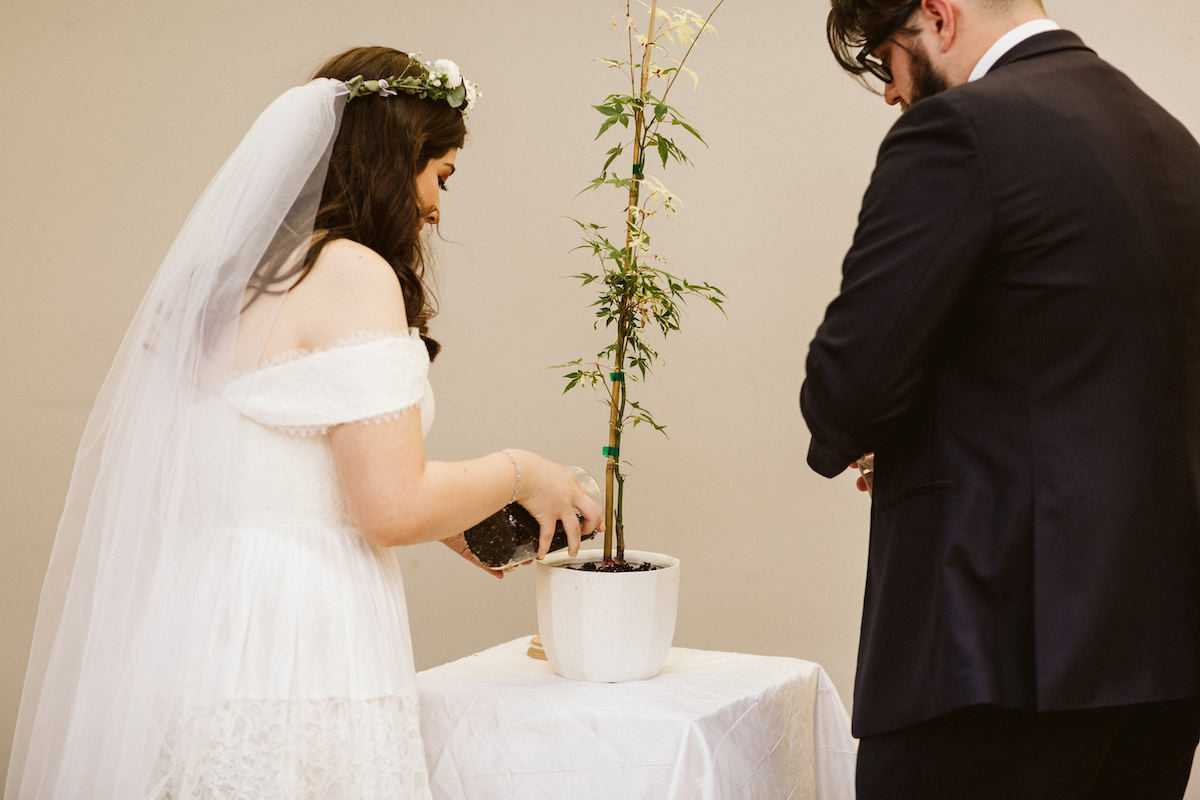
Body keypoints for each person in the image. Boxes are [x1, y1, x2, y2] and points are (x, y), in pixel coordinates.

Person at [5, 46, 601, 799]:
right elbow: (387, 506)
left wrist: (460, 516)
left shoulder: (238, 279)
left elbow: (284, 463)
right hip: (292, 635)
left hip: (203, 623)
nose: (438, 206)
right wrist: (524, 471)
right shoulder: (352, 271)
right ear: (395, 158)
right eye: (439, 175)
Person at [801, 0, 1200, 797]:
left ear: (938, 17)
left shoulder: (959, 131)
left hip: (996, 653)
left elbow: (848, 392)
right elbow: (1089, 376)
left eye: (887, 59)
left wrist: (885, 427)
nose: (889, 92)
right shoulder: (1170, 140)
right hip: (1163, 656)